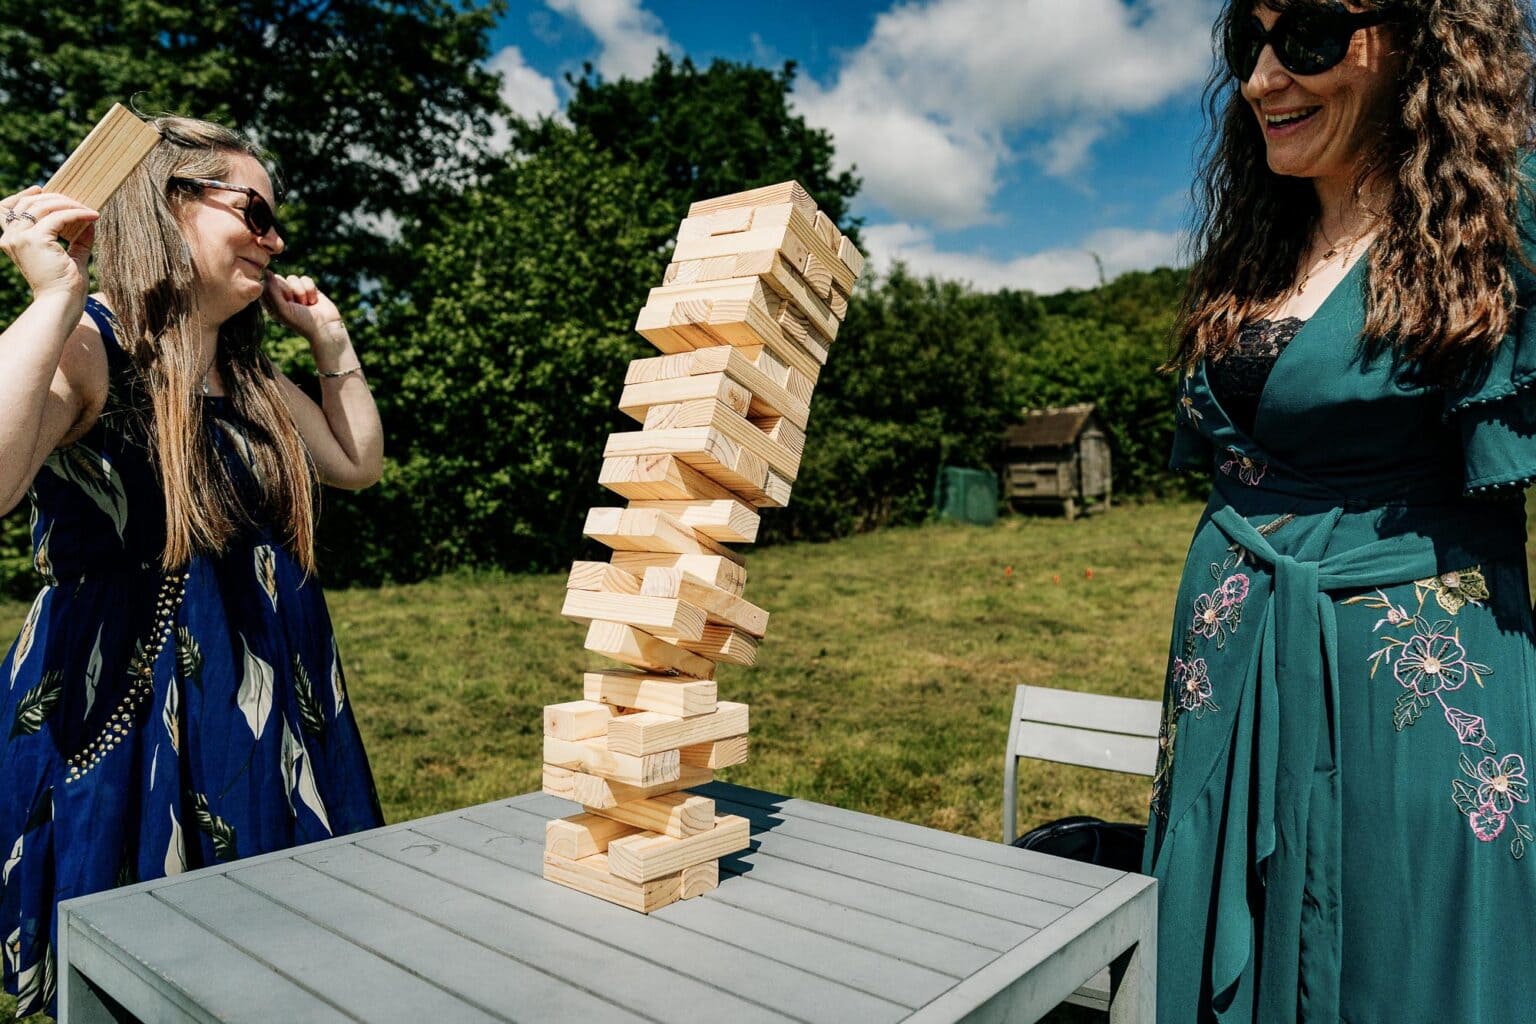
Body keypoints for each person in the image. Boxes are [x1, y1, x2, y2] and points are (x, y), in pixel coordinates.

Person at [1145, 1, 1536, 1020]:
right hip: (1228, 679)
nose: (1266, 77)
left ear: (1414, 37)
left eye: (1311, 36)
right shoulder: (1259, 246)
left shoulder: (1505, 220)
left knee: (1395, 964)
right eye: (1248, 45)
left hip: (1408, 696)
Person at [0, 117, 384, 1017]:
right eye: (253, 210)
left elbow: (357, 464)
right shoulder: (90, 345)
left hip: (267, 695)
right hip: (130, 701)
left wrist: (329, 339)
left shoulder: (250, 378)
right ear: (168, 205)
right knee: (140, 968)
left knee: (279, 963)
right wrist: (53, 297)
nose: (274, 238)